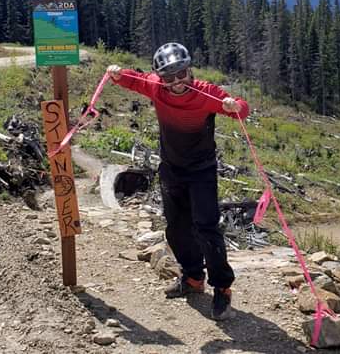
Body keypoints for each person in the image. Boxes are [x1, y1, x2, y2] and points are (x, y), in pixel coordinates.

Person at [107, 42, 250, 321]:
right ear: (160, 76)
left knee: (206, 228)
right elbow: (132, 80)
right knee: (176, 228)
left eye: (181, 74)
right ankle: (193, 277)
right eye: (169, 77)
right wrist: (116, 73)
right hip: (171, 168)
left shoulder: (206, 93)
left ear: (190, 70)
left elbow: (241, 110)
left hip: (202, 171)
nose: (177, 82)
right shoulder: (155, 87)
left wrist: (235, 106)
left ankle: (222, 287)